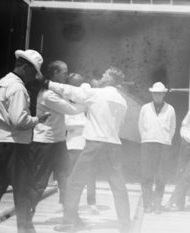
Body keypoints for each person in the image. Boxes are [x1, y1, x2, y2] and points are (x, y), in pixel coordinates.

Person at [0, 49, 49, 233]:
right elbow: (20, 121)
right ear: (26, 68)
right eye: (33, 72)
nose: (33, 77)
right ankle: (25, 230)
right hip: (16, 147)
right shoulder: (18, 88)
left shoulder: (2, 83)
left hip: (1, 143)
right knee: (24, 193)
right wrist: (38, 119)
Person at [49, 67, 131, 233]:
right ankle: (125, 224)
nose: (101, 77)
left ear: (109, 79)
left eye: (104, 75)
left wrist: (48, 83)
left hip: (94, 144)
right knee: (118, 185)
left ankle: (69, 223)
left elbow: (71, 92)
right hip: (114, 144)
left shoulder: (97, 94)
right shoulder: (123, 101)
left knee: (74, 182)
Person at [29, 61, 85, 212]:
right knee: (40, 182)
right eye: (64, 72)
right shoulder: (48, 95)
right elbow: (71, 109)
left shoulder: (55, 91)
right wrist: (89, 102)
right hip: (45, 143)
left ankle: (71, 218)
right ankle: (26, 220)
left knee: (66, 179)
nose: (67, 75)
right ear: (54, 74)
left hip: (58, 142)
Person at [138, 82, 176, 214]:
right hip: (148, 144)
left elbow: (172, 128)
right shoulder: (145, 108)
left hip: (164, 145)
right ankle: (147, 204)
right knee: (146, 175)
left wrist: (165, 139)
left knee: (161, 176)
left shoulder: (170, 109)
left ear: (164, 94)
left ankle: (157, 204)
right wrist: (147, 138)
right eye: (155, 93)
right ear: (152, 94)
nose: (157, 96)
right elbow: (141, 126)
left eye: (160, 93)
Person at [65, 73, 99, 215]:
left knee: (91, 175)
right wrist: (86, 124)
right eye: (75, 84)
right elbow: (67, 124)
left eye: (80, 84)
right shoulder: (66, 102)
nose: (78, 87)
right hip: (73, 144)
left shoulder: (86, 102)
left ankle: (92, 203)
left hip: (87, 143)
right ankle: (72, 205)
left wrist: (81, 125)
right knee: (73, 176)